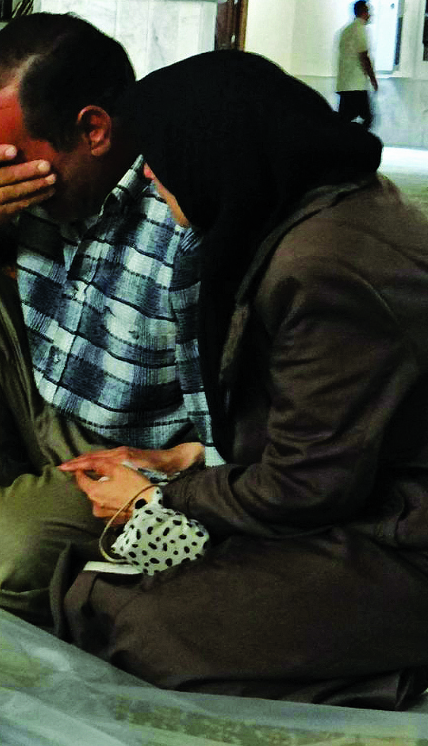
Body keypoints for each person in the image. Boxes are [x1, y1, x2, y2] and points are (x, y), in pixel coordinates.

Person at [59, 50, 428, 709]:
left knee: (136, 625)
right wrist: (186, 459)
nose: (151, 178)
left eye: (161, 159)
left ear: (217, 152)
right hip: (371, 504)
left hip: (401, 540)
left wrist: (164, 498)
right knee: (112, 591)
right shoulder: (322, 210)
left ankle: (394, 673)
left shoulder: (323, 264)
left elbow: (306, 488)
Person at [0, 13, 202, 627]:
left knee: (2, 551)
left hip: (131, 458)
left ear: (93, 130)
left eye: (15, 159)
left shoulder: (181, 205)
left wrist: (172, 472)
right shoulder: (19, 182)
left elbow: (245, 449)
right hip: (50, 405)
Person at [337, 1, 379, 130]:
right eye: (368, 11)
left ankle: (343, 139)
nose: (370, 15)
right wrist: (373, 79)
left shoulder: (346, 31)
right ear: (363, 12)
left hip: (344, 83)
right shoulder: (360, 28)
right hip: (356, 84)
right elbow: (364, 56)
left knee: (343, 121)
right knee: (368, 118)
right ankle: (357, 140)